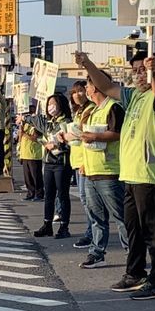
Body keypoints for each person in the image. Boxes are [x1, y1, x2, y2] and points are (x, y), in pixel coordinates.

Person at [76, 50, 155, 300]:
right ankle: (134, 273)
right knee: (133, 228)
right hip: (132, 174)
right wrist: (88, 63)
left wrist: (154, 73)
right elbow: (106, 85)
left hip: (152, 174)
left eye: (142, 70)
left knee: (154, 230)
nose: (138, 75)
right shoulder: (133, 97)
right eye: (135, 71)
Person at [78, 73, 129, 268]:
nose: (87, 91)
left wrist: (95, 137)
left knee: (120, 216)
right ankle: (96, 253)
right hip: (91, 171)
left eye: (88, 87)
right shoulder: (92, 111)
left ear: (97, 87)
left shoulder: (113, 107)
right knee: (96, 217)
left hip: (109, 172)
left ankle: (132, 253)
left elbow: (117, 133)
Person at [19, 93, 73, 239]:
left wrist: (58, 145)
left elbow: (73, 144)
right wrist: (24, 118)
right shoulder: (49, 123)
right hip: (48, 163)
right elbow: (37, 124)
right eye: (49, 104)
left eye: (53, 104)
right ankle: (47, 224)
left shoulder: (67, 123)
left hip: (62, 163)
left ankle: (64, 226)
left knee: (62, 195)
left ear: (61, 105)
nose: (50, 107)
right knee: (49, 195)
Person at [59, 81, 97, 249]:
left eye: (82, 90)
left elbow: (81, 132)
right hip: (77, 160)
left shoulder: (89, 109)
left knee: (89, 200)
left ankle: (92, 233)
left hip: (85, 160)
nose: (78, 94)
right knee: (85, 199)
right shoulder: (78, 111)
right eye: (75, 92)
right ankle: (92, 232)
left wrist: (68, 135)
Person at [18, 105, 44, 201]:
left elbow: (35, 138)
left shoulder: (37, 125)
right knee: (27, 177)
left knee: (36, 176)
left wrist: (24, 134)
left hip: (34, 155)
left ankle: (39, 194)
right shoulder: (25, 124)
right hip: (25, 153)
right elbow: (20, 139)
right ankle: (30, 193)